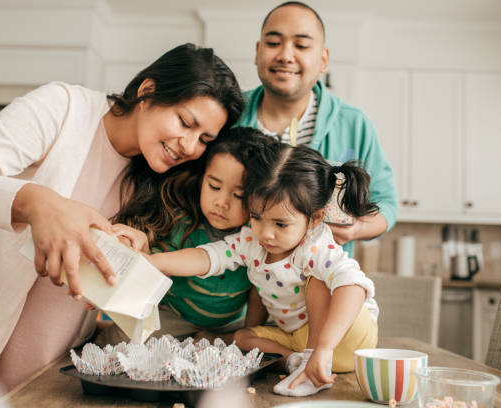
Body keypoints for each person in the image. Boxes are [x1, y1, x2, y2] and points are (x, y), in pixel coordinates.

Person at [0, 43, 244, 402]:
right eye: (186, 122)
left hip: (47, 380)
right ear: (147, 92)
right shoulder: (63, 108)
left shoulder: (157, 181)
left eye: (205, 139)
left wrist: (131, 257)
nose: (189, 145)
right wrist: (39, 203)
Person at [148, 143, 380, 397]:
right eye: (257, 217)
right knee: (243, 338)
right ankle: (295, 364)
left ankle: (313, 361)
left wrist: (323, 349)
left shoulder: (315, 244)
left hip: (345, 335)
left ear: (314, 218)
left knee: (319, 280)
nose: (265, 233)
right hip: (296, 340)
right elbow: (208, 257)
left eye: (281, 224)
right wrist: (155, 262)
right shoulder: (251, 242)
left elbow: (354, 286)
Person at [237, 1, 398, 256]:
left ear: (323, 59)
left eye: (301, 45)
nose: (286, 55)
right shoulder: (228, 113)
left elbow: (386, 205)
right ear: (257, 52)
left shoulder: (353, 123)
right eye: (273, 43)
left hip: (319, 287)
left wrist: (355, 228)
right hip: (233, 286)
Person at [97, 127, 279, 346]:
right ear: (202, 179)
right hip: (174, 316)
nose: (222, 202)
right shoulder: (181, 220)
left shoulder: (259, 237)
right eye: (214, 186)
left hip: (232, 324)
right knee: (120, 341)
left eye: (239, 195)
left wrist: (249, 333)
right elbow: (151, 267)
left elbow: (258, 292)